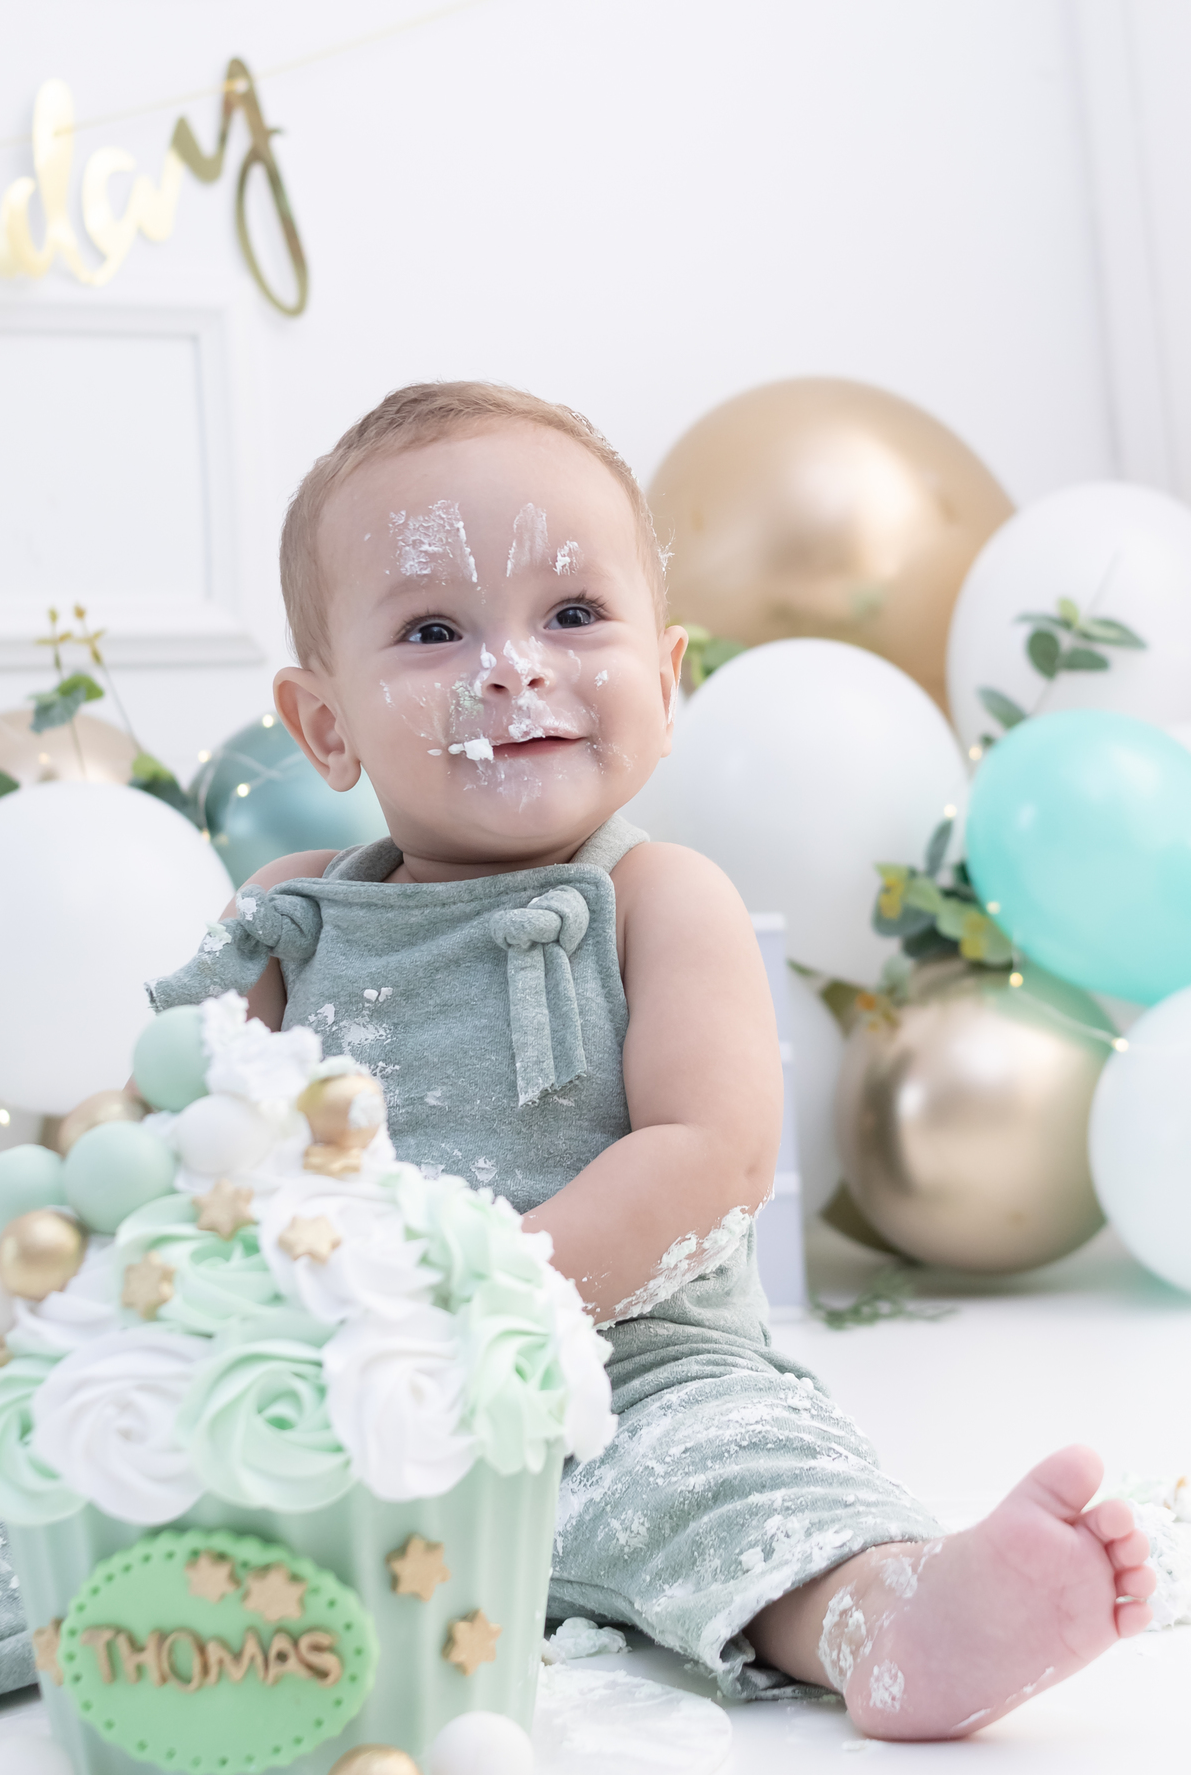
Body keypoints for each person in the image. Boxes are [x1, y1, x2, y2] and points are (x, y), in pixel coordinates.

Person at [151, 381, 1154, 1740]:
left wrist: (482, 1314)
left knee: (742, 1487)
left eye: (572, 615)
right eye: (436, 630)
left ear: (667, 679)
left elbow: (710, 1153)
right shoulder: (287, 914)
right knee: (111, 1470)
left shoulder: (658, 901)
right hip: (328, 1375)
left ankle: (897, 1616)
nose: (515, 666)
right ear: (324, 723)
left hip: (629, 1375)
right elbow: (169, 1134)